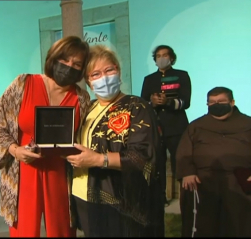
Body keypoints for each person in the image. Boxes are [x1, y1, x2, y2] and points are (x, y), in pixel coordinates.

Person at [0, 36, 91, 237]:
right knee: (23, 232)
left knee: (62, 231)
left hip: (61, 173)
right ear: (53, 58)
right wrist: (15, 150)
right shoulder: (23, 84)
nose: (69, 66)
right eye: (65, 60)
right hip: (23, 171)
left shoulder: (82, 98)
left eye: (77, 64)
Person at [66, 45, 165, 237]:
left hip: (121, 200)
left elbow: (143, 157)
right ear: (88, 81)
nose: (103, 77)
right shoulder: (87, 109)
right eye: (95, 74)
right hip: (83, 195)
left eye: (108, 70)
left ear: (118, 70)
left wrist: (98, 160)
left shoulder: (136, 107)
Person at [176, 86, 251, 237]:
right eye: (212, 102)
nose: (216, 105)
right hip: (204, 181)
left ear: (232, 102)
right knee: (205, 226)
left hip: (239, 180)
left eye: (221, 101)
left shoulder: (247, 124)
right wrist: (187, 172)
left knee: (238, 225)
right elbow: (184, 152)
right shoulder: (196, 126)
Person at [140, 45, 191, 205]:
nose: (161, 58)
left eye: (165, 55)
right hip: (156, 128)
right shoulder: (149, 79)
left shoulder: (182, 75)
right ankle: (160, 197)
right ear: (155, 60)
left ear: (172, 58)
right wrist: (152, 102)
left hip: (177, 126)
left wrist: (168, 102)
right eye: (158, 56)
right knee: (158, 164)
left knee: (180, 162)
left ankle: (186, 196)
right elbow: (143, 103)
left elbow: (186, 102)